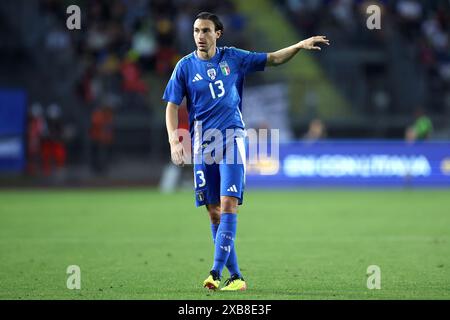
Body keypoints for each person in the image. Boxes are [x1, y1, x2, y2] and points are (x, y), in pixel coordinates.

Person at [163, 12, 329, 291]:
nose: (199, 36)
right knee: (214, 212)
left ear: (218, 33)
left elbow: (274, 58)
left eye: (205, 30)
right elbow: (171, 105)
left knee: (229, 205)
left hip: (231, 139)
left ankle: (215, 272)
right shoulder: (184, 67)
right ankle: (237, 276)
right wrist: (173, 140)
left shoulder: (234, 58)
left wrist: (298, 46)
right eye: (195, 30)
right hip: (203, 144)